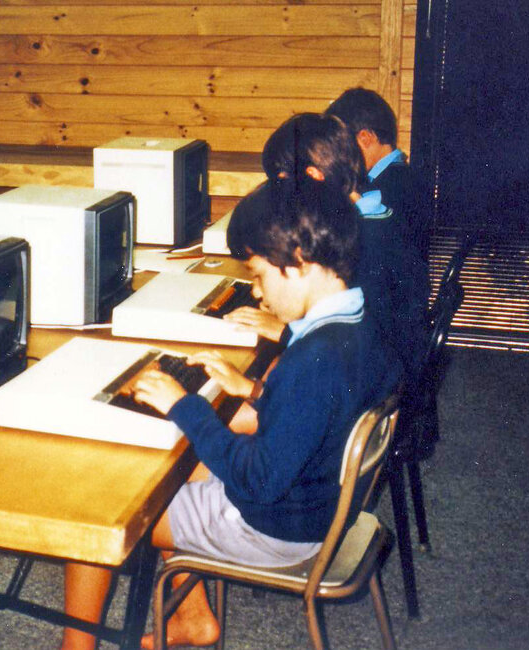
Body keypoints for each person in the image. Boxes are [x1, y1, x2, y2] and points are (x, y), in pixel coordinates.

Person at [60, 179, 401, 650]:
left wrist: (185, 406)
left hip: (276, 527)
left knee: (101, 508)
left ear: (297, 263)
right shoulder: (359, 327)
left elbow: (260, 478)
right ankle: (193, 620)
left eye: (259, 275)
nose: (258, 294)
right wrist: (255, 390)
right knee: (189, 462)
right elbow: (317, 417)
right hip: (321, 508)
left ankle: (74, 647)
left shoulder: (313, 362)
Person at [254, 111, 429, 381]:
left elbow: (363, 343)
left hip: (381, 377)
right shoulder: (373, 216)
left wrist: (284, 331)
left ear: (314, 177)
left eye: (283, 184)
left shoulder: (362, 243)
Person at [324, 87, 430, 263]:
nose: (340, 156)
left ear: (365, 138)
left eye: (342, 146)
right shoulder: (402, 177)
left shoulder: (392, 188)